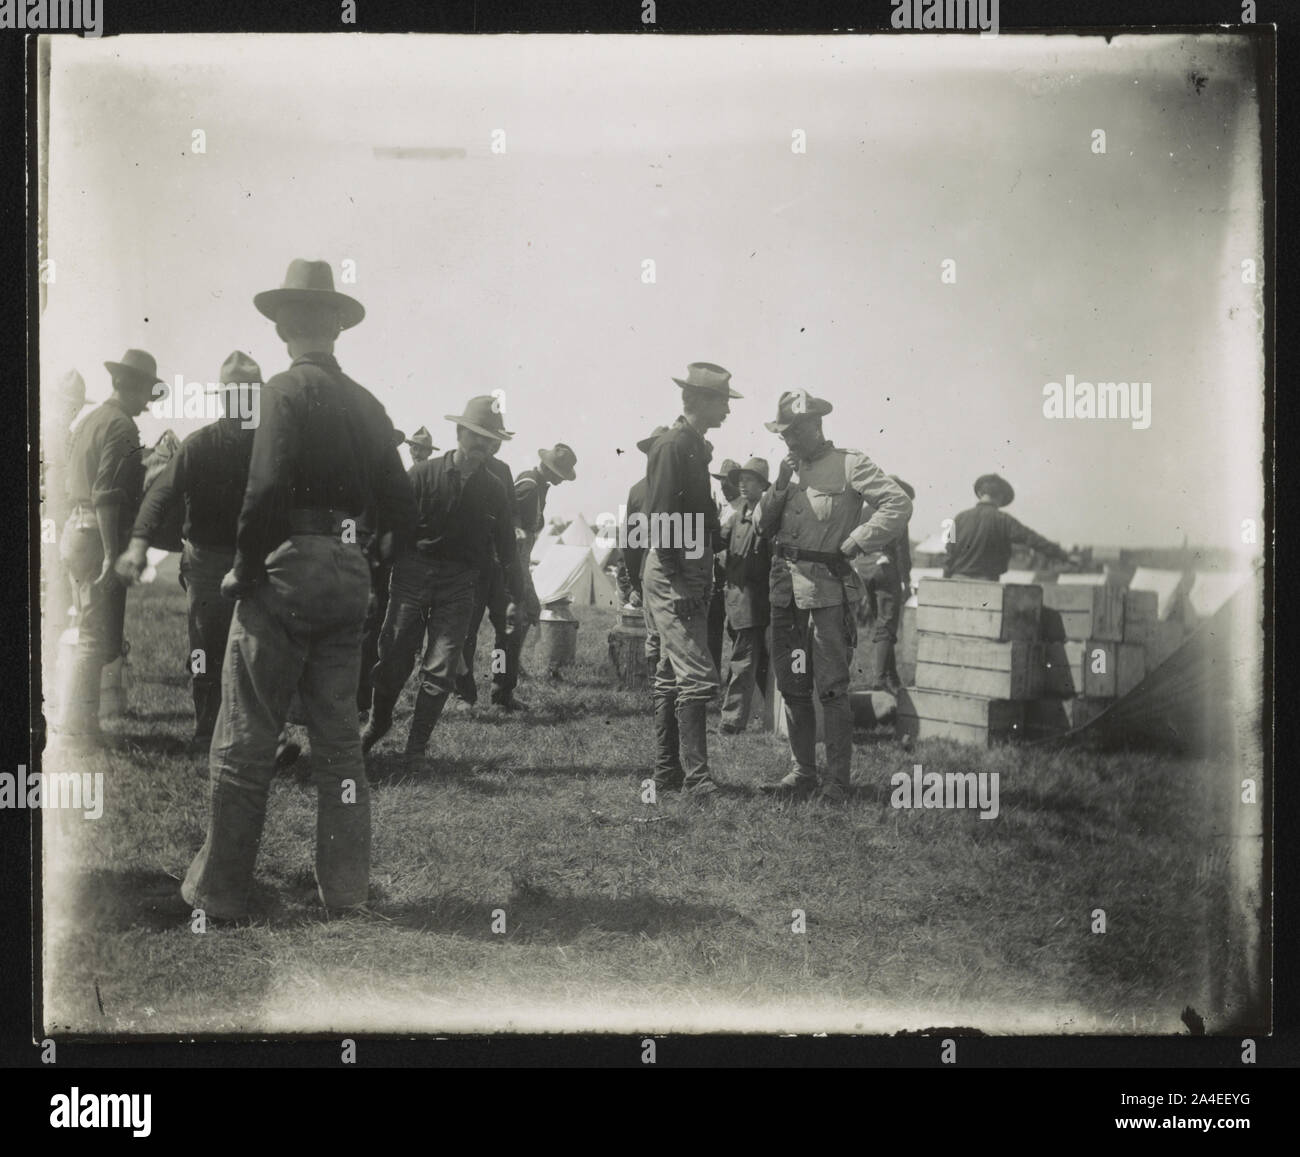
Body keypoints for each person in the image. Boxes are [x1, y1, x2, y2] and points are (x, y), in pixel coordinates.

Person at [181, 259, 416, 921]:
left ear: (284, 325)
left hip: (287, 567)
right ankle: (346, 892)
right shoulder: (368, 403)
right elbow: (402, 502)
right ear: (337, 327)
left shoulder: (281, 391)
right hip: (349, 573)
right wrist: (369, 553)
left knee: (246, 734)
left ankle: (219, 892)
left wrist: (245, 567)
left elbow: (263, 493)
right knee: (340, 742)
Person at [756, 390, 912, 804]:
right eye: (782, 433)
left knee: (831, 688)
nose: (787, 440)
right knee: (792, 685)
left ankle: (837, 781)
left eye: (794, 432)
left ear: (816, 426)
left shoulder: (849, 464)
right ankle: (802, 771)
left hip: (825, 592)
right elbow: (761, 526)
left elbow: (898, 503)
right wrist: (780, 483)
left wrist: (858, 540)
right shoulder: (787, 472)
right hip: (784, 590)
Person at [363, 396, 522, 765]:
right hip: (411, 575)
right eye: (476, 436)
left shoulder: (495, 489)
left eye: (489, 440)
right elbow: (388, 527)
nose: (482, 445)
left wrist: (515, 595)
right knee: (394, 659)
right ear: (459, 432)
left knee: (442, 665)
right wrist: (375, 581)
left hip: (460, 584)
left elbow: (506, 550)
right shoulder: (421, 475)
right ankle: (376, 725)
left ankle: (415, 749)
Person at [118, 352, 263, 753]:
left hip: (253, 564)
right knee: (204, 653)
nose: (243, 404)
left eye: (250, 395)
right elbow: (160, 495)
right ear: (224, 399)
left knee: (253, 652)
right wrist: (137, 544)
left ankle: (251, 739)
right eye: (236, 395)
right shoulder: (200, 446)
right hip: (205, 564)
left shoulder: (268, 448)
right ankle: (205, 734)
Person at [642, 362, 740, 799]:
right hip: (675, 571)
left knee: (671, 672)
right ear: (699, 401)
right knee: (698, 676)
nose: (728, 410)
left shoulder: (693, 445)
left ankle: (668, 773)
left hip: (688, 568)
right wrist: (679, 579)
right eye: (722, 401)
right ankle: (697, 779)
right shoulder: (673, 444)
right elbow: (662, 518)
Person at [54, 350, 158, 749]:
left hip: (76, 531)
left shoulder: (90, 420)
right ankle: (77, 732)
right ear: (132, 387)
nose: (148, 403)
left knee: (89, 630)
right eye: (147, 392)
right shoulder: (121, 426)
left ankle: (80, 723)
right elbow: (107, 494)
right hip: (97, 535)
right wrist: (114, 554)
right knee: (95, 637)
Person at [495, 443, 577, 706]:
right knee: (514, 622)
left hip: (518, 559)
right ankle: (501, 681)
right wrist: (517, 577)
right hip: (511, 562)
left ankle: (507, 673)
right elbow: (508, 525)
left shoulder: (538, 486)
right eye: (559, 473)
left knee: (520, 619)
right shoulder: (529, 487)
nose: (560, 480)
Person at [452, 432, 524, 708]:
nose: (492, 445)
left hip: (499, 567)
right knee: (465, 633)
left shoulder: (502, 471)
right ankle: (464, 694)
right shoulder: (457, 469)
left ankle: (501, 690)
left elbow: (511, 512)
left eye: (496, 441)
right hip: (469, 567)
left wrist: (516, 529)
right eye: (487, 439)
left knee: (507, 632)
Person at [40, 369, 87, 690]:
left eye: (76, 405)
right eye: (69, 403)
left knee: (54, 594)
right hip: (51, 523)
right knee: (53, 595)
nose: (73, 410)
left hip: (55, 522)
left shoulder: (60, 432)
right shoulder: (54, 433)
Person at [718, 458, 772, 734]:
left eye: (749, 479)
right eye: (740, 479)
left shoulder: (766, 517)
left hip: (754, 603)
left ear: (762, 485)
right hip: (736, 601)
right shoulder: (738, 515)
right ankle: (771, 718)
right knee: (758, 662)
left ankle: (732, 721)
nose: (741, 483)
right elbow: (719, 543)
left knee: (743, 661)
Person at [943, 473, 1075, 581]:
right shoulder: (1004, 520)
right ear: (1000, 497)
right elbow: (1033, 540)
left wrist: (945, 581)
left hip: (957, 581)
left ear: (979, 493)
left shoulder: (959, 518)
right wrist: (1064, 556)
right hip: (987, 585)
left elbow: (949, 553)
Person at [860, 474, 915, 695]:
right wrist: (906, 580)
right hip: (885, 569)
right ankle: (879, 679)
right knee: (887, 626)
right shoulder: (897, 513)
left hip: (864, 568)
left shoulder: (865, 511)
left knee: (881, 623)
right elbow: (902, 551)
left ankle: (892, 677)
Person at [707, 459, 743, 672]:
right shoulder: (722, 507)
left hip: (736, 575)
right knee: (713, 627)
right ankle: (712, 677)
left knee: (736, 628)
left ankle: (736, 677)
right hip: (718, 575)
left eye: (727, 482)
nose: (723, 486)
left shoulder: (745, 507)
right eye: (721, 482)